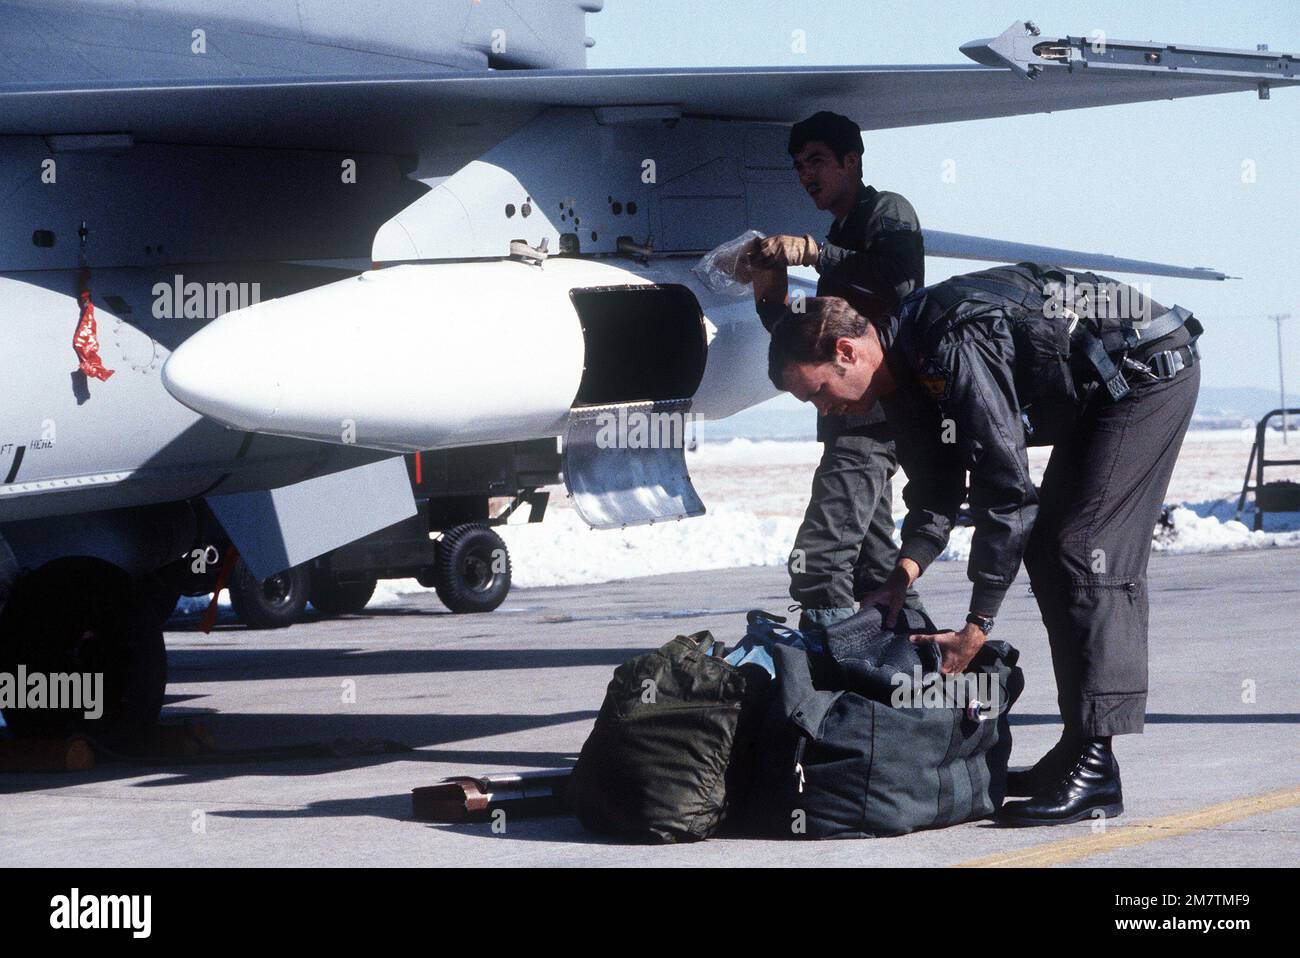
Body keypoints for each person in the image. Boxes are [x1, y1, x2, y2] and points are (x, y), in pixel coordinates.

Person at [765, 262, 1201, 826]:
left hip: (1146, 374)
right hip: (1097, 388)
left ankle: (1096, 765)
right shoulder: (900, 375)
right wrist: (903, 575)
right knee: (1051, 548)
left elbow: (1004, 489)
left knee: (1084, 549)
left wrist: (978, 626)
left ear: (846, 351)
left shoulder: (950, 342)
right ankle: (1077, 751)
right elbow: (937, 486)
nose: (825, 410)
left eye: (818, 392)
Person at [746, 110, 925, 633]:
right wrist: (768, 283)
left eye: (818, 161)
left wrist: (815, 252)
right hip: (849, 420)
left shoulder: (886, 210)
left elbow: (895, 278)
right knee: (874, 568)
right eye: (800, 166)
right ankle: (915, 674)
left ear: (852, 161)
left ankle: (835, 666)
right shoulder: (842, 229)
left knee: (823, 561)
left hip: (871, 415)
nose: (807, 176)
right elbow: (807, 331)